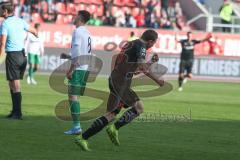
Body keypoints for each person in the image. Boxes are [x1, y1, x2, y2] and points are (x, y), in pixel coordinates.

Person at [75, 29, 164, 151]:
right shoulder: (141, 46)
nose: (152, 46)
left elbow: (136, 69)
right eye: (153, 43)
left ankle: (83, 138)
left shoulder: (132, 44)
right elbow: (142, 68)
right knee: (139, 107)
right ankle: (114, 128)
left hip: (116, 80)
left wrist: (151, 62)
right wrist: (158, 81)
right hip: (121, 83)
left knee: (110, 115)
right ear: (149, 41)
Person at [0, 3, 37, 120]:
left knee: (15, 85)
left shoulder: (5, 23)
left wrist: (0, 58)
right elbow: (34, 30)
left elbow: (2, 44)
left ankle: (18, 113)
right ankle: (14, 111)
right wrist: (36, 34)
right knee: (12, 84)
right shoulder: (20, 20)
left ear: (5, 11)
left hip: (13, 55)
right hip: (22, 55)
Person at [60, 10, 91, 135]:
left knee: (72, 97)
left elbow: (77, 51)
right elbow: (84, 52)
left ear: (80, 18)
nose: (74, 16)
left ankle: (77, 126)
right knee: (75, 97)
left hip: (78, 68)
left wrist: (71, 69)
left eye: (76, 15)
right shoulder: (87, 32)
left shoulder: (77, 31)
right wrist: (68, 56)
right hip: (85, 67)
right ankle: (76, 125)